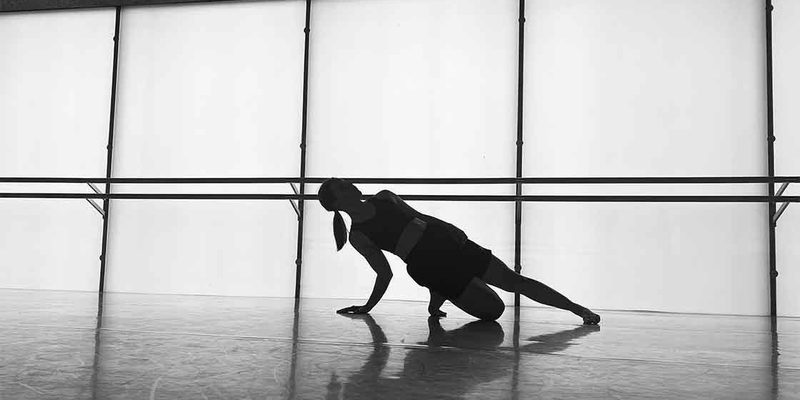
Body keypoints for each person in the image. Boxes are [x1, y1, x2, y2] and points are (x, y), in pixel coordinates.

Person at [317, 178, 600, 325]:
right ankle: (437, 296)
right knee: (494, 312)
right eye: (342, 187)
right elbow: (384, 273)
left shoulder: (384, 197)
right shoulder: (358, 235)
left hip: (448, 244)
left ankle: (578, 309)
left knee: (515, 282)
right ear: (336, 203)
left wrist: (452, 228)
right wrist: (367, 307)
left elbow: (419, 216)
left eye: (345, 181)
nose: (349, 184)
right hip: (429, 267)